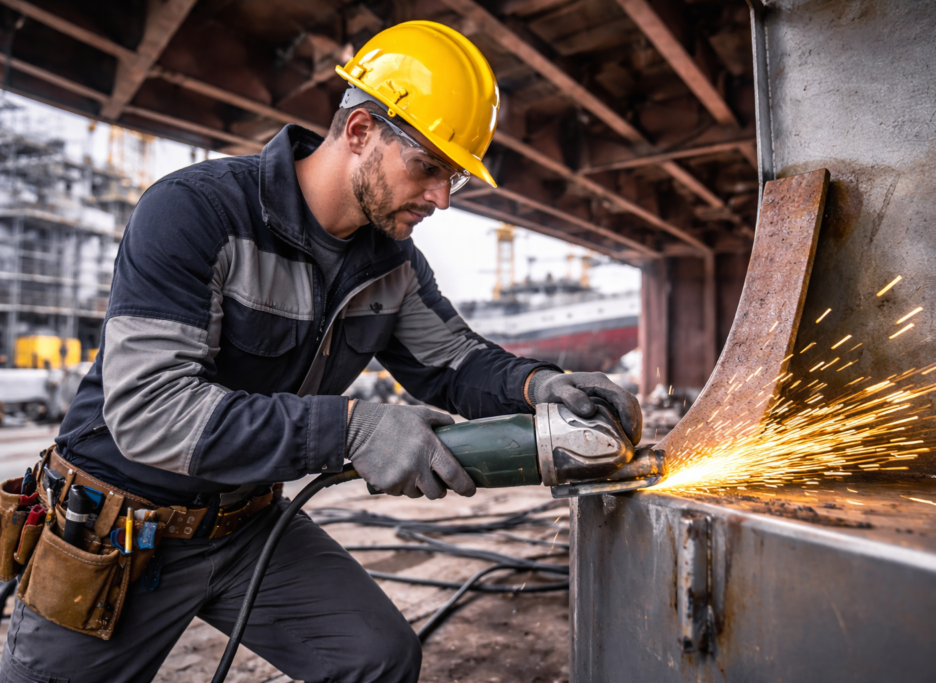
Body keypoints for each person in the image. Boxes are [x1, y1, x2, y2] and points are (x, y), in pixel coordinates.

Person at [0, 21, 640, 683]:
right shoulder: (195, 213)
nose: (442, 198)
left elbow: (455, 358)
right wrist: (351, 427)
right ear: (360, 131)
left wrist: (539, 385)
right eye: (428, 167)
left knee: (377, 658)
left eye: (454, 177)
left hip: (244, 526)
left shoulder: (391, 265)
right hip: (117, 532)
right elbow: (152, 413)